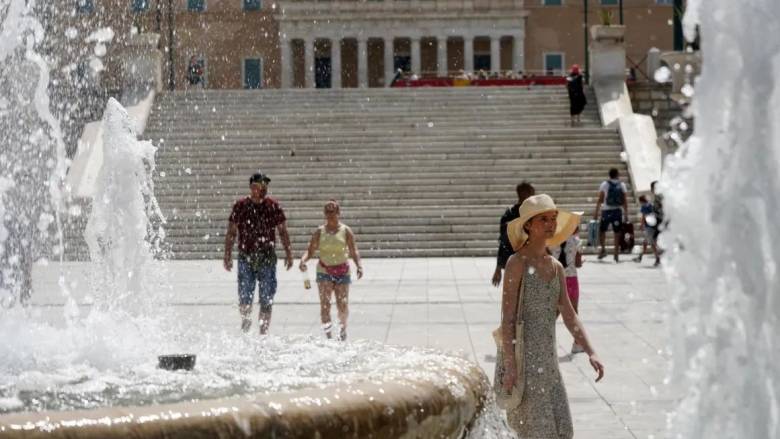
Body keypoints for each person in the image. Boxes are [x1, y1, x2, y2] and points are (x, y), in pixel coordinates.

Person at [497, 194, 604, 438]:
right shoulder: (517, 263)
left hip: (548, 363)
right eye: (543, 219)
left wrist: (591, 351)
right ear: (528, 225)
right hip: (524, 362)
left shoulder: (555, 267)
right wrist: (511, 366)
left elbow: (569, 315)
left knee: (561, 430)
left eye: (553, 218)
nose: (550, 223)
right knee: (535, 431)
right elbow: (508, 319)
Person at [224, 172, 293, 334]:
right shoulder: (240, 206)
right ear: (252, 187)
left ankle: (263, 332)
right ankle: (246, 324)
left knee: (266, 297)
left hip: (267, 257)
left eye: (265, 186)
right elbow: (232, 232)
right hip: (246, 257)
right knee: (245, 295)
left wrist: (289, 253)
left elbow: (283, 231)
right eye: (261, 186)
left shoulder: (273, 205)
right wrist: (227, 254)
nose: (263, 189)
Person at [299, 200, 363, 341]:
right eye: (327, 212)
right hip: (324, 271)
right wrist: (303, 260)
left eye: (332, 212)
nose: (329, 215)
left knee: (342, 305)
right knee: (325, 305)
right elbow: (310, 251)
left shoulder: (346, 231)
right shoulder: (319, 232)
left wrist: (359, 265)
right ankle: (328, 336)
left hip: (342, 271)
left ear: (338, 213)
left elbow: (354, 250)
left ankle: (342, 330)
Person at [492, 181, 536, 287]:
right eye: (532, 193)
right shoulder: (511, 214)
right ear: (523, 194)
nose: (534, 196)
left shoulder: (535, 214)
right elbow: (504, 241)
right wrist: (498, 267)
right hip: (516, 261)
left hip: (532, 262)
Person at [550, 223, 585, 354]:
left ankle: (544, 339)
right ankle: (577, 343)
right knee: (573, 312)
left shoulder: (553, 240)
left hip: (556, 278)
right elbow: (578, 263)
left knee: (553, 312)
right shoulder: (577, 241)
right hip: (571, 279)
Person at [593, 168, 629, 263]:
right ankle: (616, 254)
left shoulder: (605, 184)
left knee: (602, 231)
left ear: (609, 175)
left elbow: (600, 199)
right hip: (617, 211)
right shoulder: (622, 185)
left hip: (606, 211)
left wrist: (596, 212)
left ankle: (603, 249)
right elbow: (625, 201)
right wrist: (626, 214)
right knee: (617, 233)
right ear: (617, 174)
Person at [633, 194, 660, 266]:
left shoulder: (644, 206)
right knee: (645, 242)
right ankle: (640, 256)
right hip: (654, 226)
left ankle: (657, 258)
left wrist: (641, 225)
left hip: (648, 227)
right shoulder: (652, 205)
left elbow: (644, 216)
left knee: (652, 243)